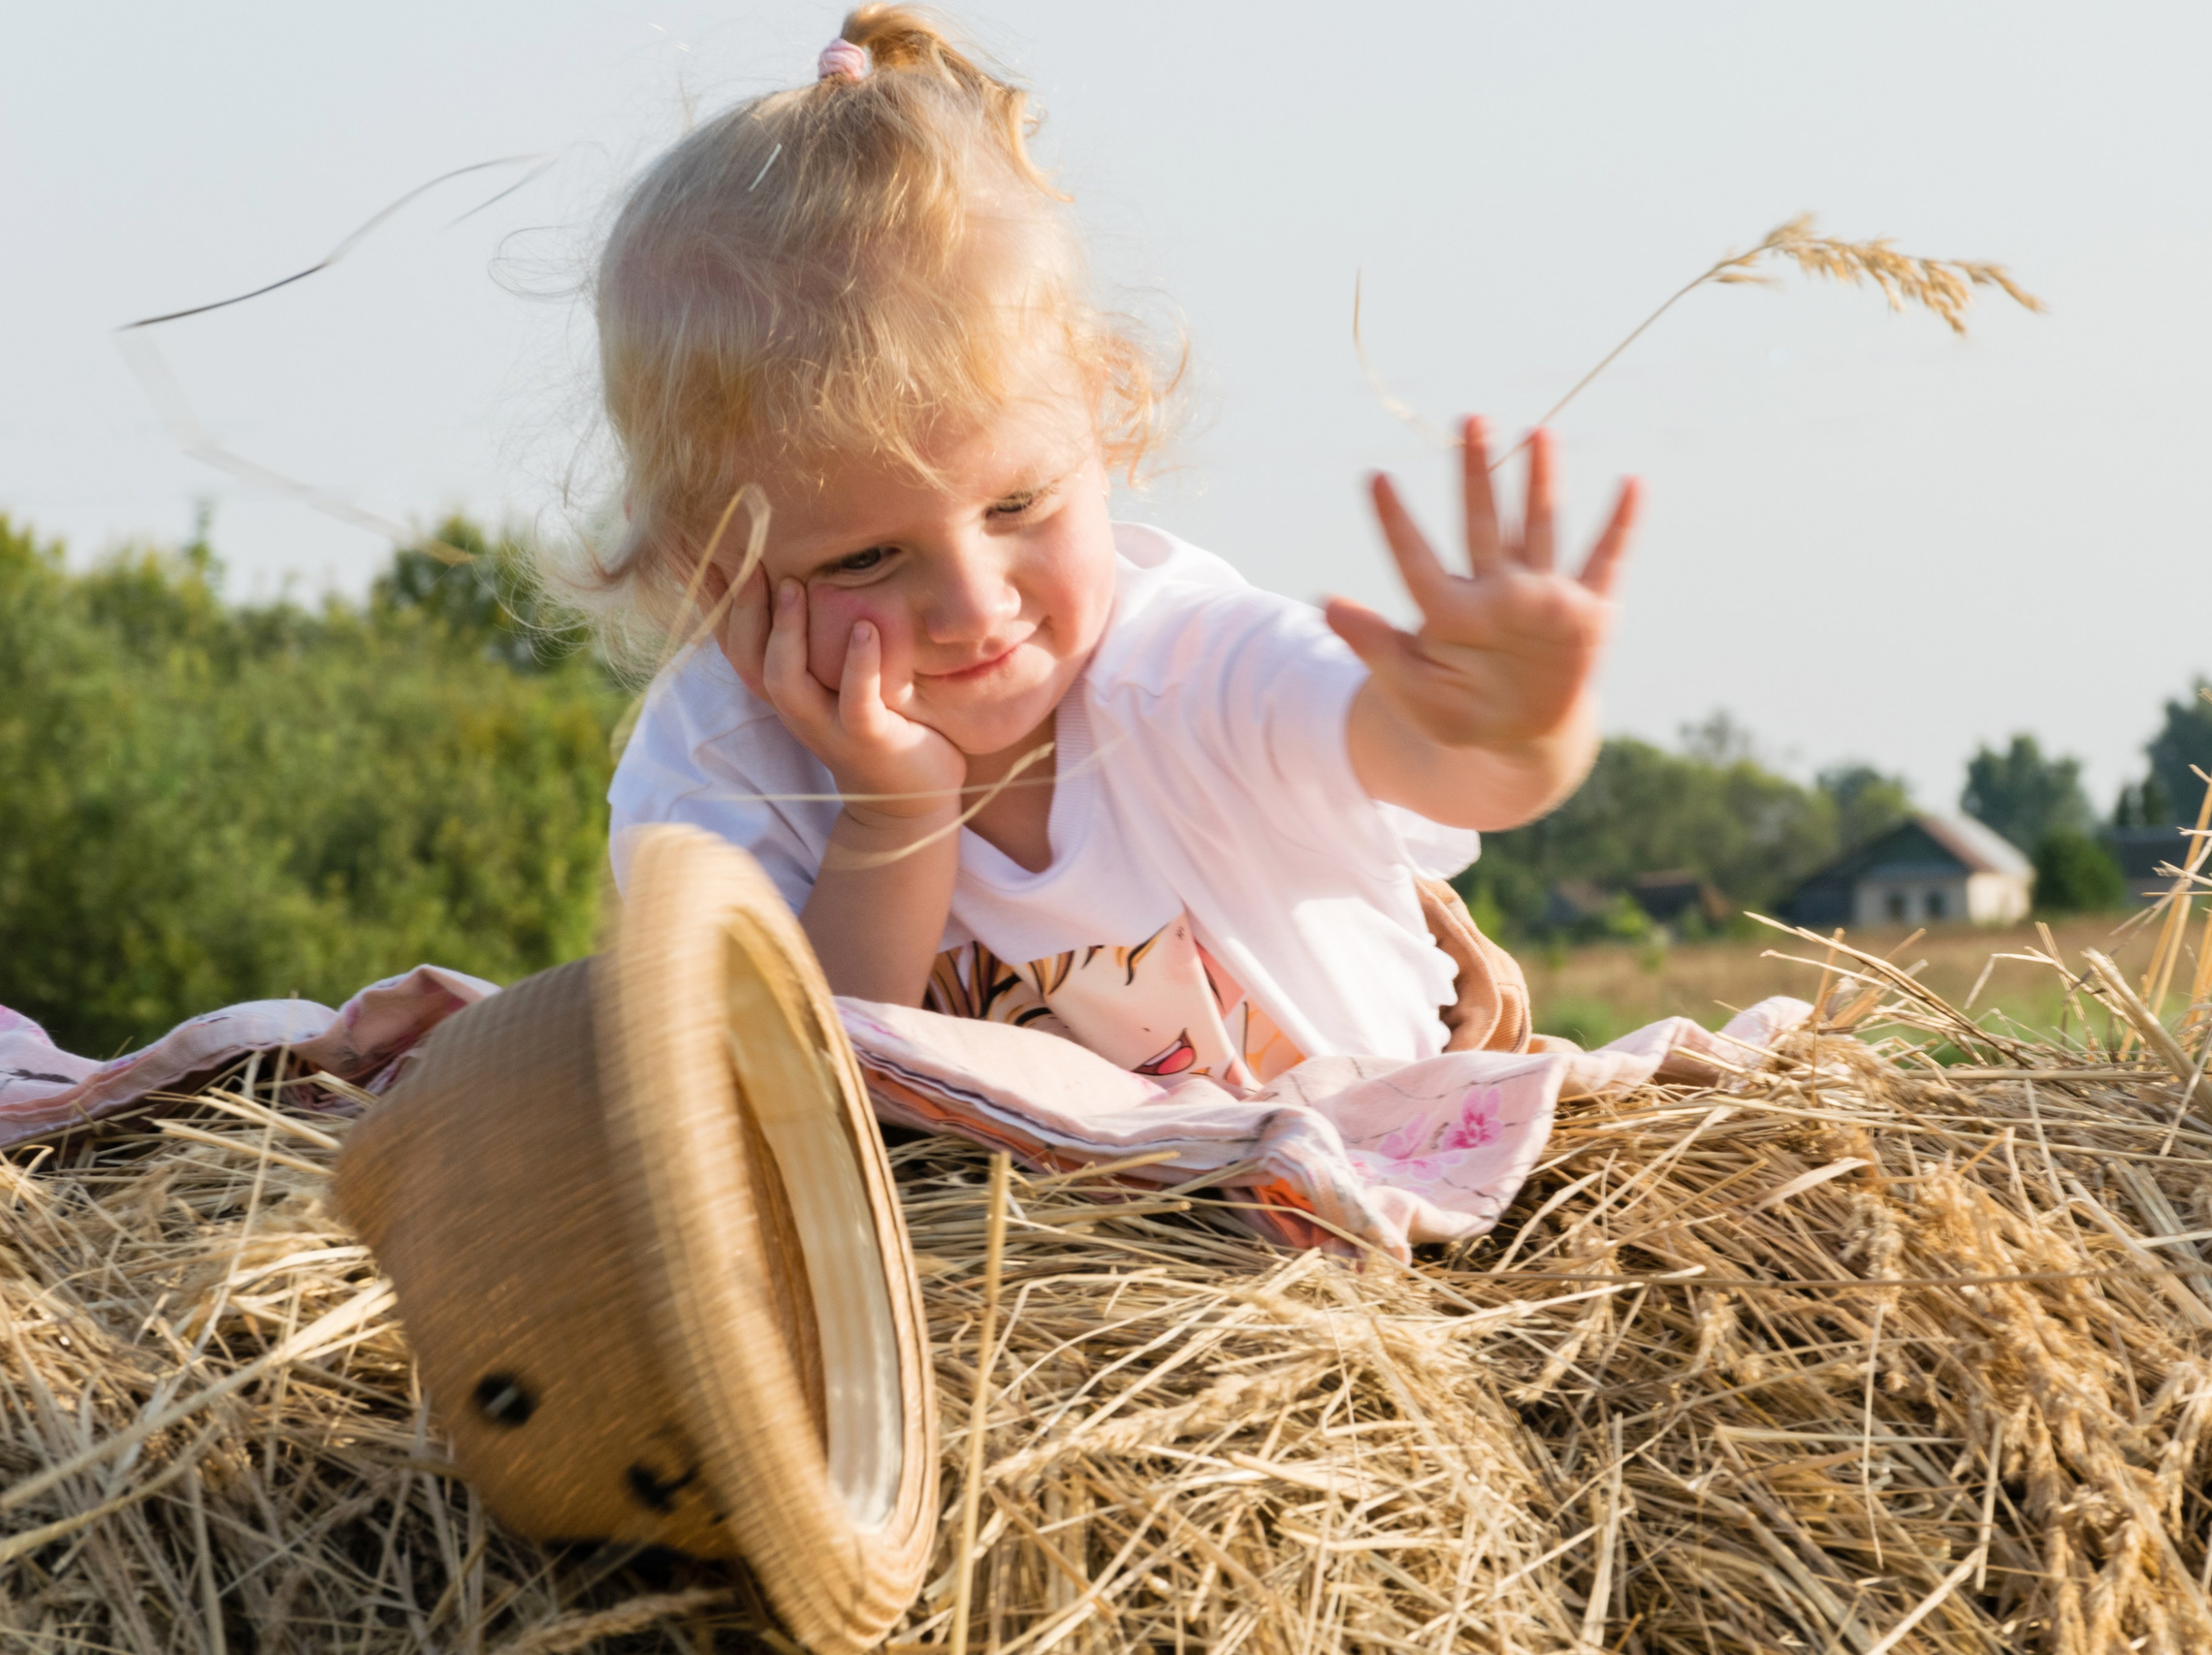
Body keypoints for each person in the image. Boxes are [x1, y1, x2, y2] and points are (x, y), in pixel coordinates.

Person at [588, 7, 1646, 1094]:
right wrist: (891, 819)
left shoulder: (1192, 666)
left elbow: (1443, 766)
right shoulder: (719, 767)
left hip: (1369, 1204)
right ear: (712, 565)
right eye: (865, 561)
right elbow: (785, 1108)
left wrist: (1520, 726)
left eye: (1017, 504)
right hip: (1008, 1257)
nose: (973, 606)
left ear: (1103, 417)